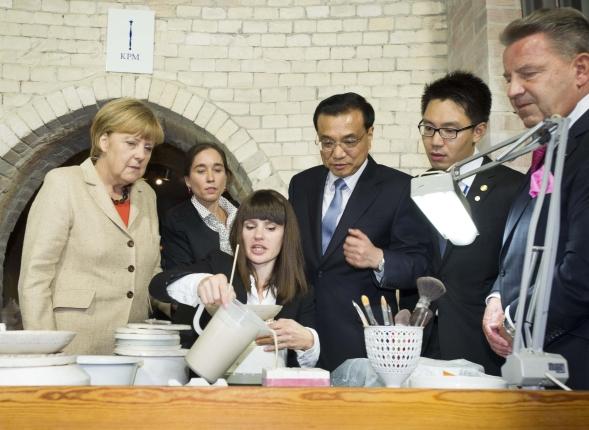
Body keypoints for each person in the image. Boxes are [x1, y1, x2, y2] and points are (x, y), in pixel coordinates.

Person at [483, 7, 589, 389]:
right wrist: (498, 297)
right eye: (508, 78)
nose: (513, 90)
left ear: (581, 70)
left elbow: (582, 272)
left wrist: (516, 322)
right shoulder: (554, 143)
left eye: (528, 73)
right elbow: (527, 242)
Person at [288, 92, 431, 371]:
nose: (337, 153)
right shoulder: (302, 185)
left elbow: (420, 264)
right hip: (303, 335)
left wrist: (379, 258)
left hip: (361, 339)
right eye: (327, 142)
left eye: (349, 141)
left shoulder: (399, 188)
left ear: (370, 134)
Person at [18, 97, 164, 354]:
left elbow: (150, 272)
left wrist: (189, 294)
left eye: (148, 147)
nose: (141, 155)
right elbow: (35, 277)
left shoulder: (147, 195)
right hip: (72, 348)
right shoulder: (64, 184)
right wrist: (46, 352)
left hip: (132, 351)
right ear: (104, 141)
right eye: (131, 143)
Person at [417, 71, 523, 375]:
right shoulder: (418, 187)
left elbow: (517, 269)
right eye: (428, 128)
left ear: (479, 131)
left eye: (450, 131)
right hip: (421, 344)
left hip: (480, 344)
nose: (436, 141)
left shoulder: (513, 189)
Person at [150, 189, 319, 369]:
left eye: (270, 228)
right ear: (240, 232)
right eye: (250, 227)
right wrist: (199, 283)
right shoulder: (219, 265)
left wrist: (310, 342)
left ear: (286, 235)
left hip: (273, 385)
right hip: (213, 383)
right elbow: (157, 285)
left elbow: (308, 368)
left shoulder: (301, 292)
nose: (258, 235)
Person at [161, 143, 237, 269]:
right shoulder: (176, 220)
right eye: (201, 171)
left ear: (226, 177)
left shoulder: (240, 211)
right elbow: (179, 273)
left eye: (217, 170)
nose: (210, 178)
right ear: (188, 180)